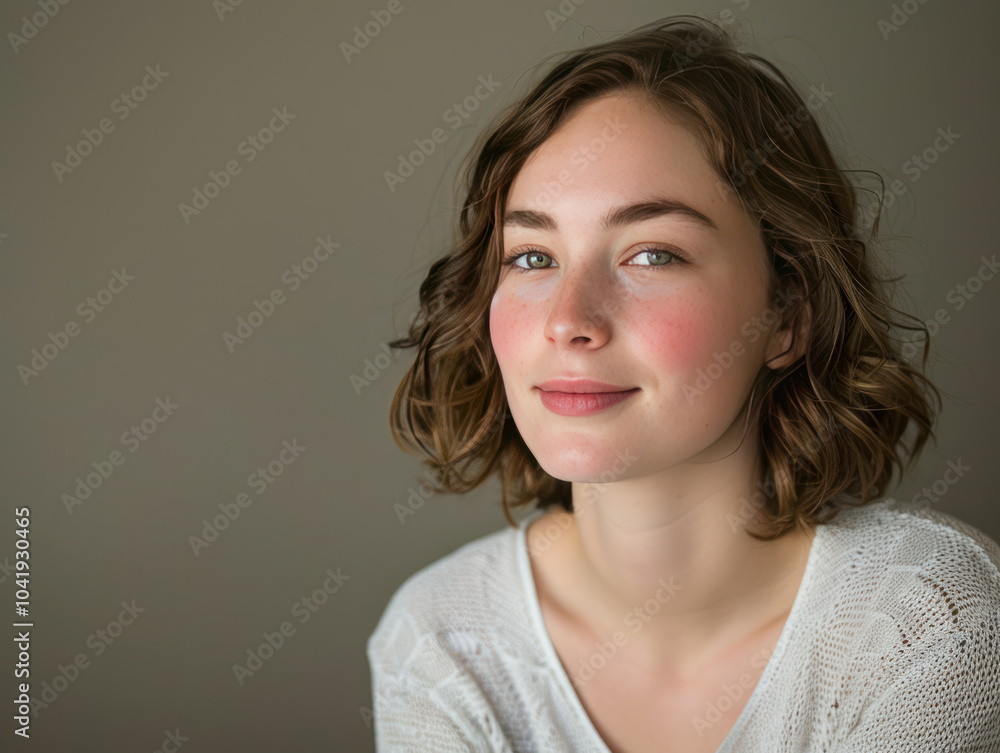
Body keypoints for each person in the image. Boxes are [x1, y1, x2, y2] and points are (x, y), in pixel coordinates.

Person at [366, 14, 1000, 753]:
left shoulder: (930, 623)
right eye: (533, 257)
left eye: (652, 254)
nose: (568, 321)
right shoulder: (440, 642)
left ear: (787, 315)